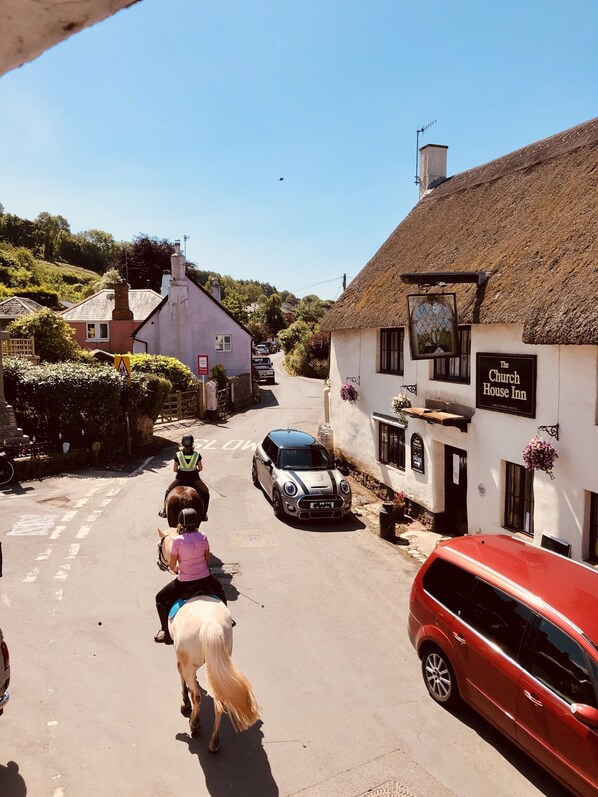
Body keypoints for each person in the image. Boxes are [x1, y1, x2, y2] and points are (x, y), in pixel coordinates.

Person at [154, 508, 229, 645]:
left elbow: (172, 566)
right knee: (220, 589)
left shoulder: (177, 541)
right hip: (205, 578)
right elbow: (207, 560)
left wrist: (179, 570)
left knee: (160, 598)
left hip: (185, 582)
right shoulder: (203, 537)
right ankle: (229, 619)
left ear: (180, 524)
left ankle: (165, 632)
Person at [158, 434, 210, 521]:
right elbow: (200, 468)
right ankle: (204, 514)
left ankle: (164, 511)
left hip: (180, 479)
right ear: (192, 444)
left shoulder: (178, 455)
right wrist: (194, 470)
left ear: (182, 444)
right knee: (206, 492)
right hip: (194, 479)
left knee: (168, 490)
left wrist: (182, 470)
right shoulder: (197, 455)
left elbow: (175, 469)